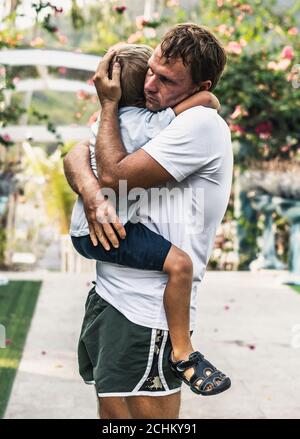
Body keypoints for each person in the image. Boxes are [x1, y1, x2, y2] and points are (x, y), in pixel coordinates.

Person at [64, 23, 233, 419]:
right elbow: (74, 153)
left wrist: (108, 109)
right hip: (109, 295)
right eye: (151, 71)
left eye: (167, 79)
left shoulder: (199, 126)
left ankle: (182, 353)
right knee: (113, 415)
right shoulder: (146, 115)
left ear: (199, 85)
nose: (152, 85)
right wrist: (90, 196)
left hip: (148, 313)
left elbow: (113, 175)